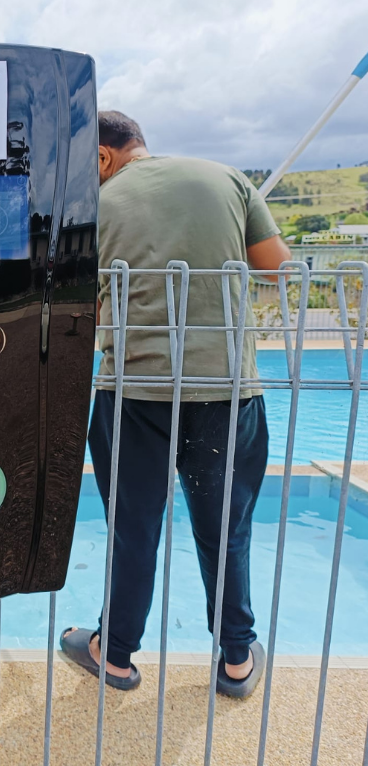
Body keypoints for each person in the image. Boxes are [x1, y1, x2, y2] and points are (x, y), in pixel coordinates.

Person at [60, 111, 291, 698]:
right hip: (225, 389)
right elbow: (277, 269)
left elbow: (74, 310)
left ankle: (113, 657)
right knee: (226, 530)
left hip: (133, 390)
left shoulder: (90, 211)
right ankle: (237, 660)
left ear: (104, 158)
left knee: (132, 530)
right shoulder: (229, 179)